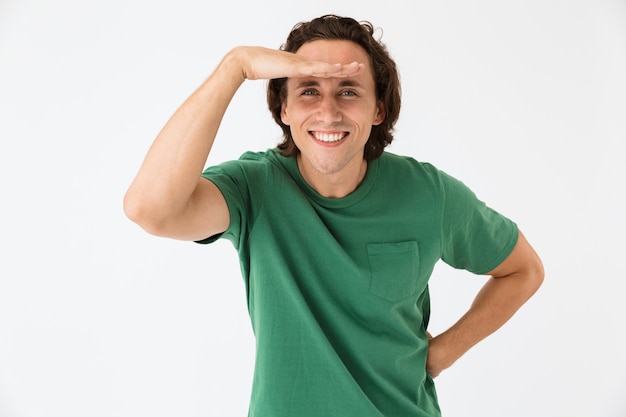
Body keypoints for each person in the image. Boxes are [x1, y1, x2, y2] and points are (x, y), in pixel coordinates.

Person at [124, 14, 544, 417]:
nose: (328, 113)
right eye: (308, 90)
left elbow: (523, 269)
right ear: (283, 110)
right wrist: (234, 67)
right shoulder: (254, 188)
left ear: (378, 109)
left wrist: (443, 353)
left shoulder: (429, 194)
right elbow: (150, 210)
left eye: (348, 90)